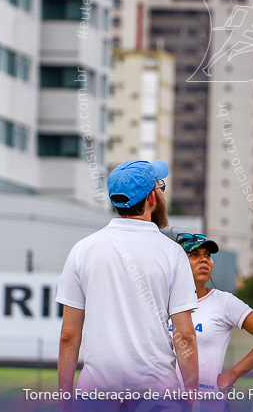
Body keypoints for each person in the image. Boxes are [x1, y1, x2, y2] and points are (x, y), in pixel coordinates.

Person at [56, 159, 200, 398]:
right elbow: (185, 336)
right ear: (152, 198)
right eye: (159, 187)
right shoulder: (172, 253)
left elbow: (68, 336)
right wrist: (194, 399)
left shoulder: (83, 249)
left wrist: (64, 399)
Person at [172, 233, 253, 396]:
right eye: (194, 255)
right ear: (177, 262)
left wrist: (232, 374)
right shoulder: (162, 302)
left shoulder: (224, 302)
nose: (204, 260)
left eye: (208, 255)